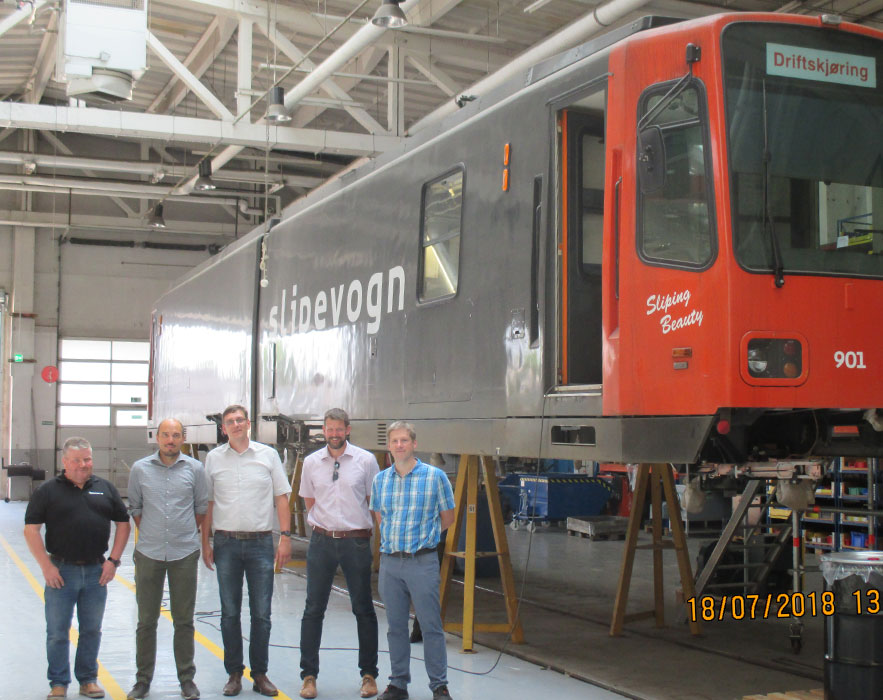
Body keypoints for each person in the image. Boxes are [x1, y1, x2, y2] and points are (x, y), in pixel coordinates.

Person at [24, 436, 131, 700]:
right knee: (58, 632)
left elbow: (123, 523)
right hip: (61, 572)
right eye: (77, 460)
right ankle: (58, 683)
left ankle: (88, 680)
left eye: (87, 459)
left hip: (97, 572)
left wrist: (113, 561)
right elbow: (31, 530)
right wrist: (46, 566)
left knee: (91, 630)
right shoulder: (48, 491)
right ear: (65, 462)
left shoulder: (105, 488)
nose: (84, 465)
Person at [201, 405, 292, 697]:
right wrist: (206, 542)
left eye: (240, 420)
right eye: (230, 421)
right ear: (223, 428)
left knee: (261, 613)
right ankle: (234, 674)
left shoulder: (268, 456)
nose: (236, 425)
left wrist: (286, 538)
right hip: (226, 544)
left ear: (249, 424)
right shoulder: (214, 459)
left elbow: (281, 497)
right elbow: (209, 504)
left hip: (261, 544)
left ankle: (260, 674)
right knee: (229, 613)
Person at [298, 408, 380, 699]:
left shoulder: (366, 461)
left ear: (348, 429)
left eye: (338, 429)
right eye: (329, 429)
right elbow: (310, 501)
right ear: (324, 430)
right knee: (313, 609)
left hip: (355, 542)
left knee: (364, 609)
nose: (333, 434)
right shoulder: (311, 463)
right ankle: (309, 676)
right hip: (321, 542)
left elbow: (374, 502)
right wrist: (327, 526)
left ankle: (369, 675)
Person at [370, 422, 455, 700]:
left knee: (431, 626)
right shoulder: (380, 480)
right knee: (396, 627)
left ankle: (439, 686)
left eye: (404, 440)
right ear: (389, 445)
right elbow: (380, 517)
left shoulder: (435, 477)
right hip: (391, 564)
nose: (399, 445)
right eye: (394, 441)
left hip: (422, 562)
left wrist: (423, 538)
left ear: (414, 444)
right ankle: (398, 684)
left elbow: (448, 518)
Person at [126, 418, 208, 700]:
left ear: (182, 438)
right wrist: (154, 532)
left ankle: (187, 679)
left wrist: (179, 533)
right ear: (157, 438)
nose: (170, 440)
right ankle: (142, 680)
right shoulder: (140, 470)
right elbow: (135, 508)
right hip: (148, 553)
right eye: (165, 435)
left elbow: (200, 509)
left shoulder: (195, 469)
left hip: (184, 553)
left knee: (183, 620)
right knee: (146, 621)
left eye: (175, 435)